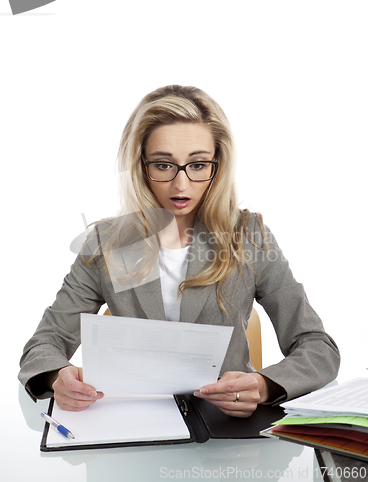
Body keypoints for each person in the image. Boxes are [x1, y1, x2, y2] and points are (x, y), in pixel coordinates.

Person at [19, 85, 340, 417]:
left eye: (198, 166)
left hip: (224, 429)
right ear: (140, 166)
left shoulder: (249, 235)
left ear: (218, 165)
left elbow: (318, 347)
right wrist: (58, 377)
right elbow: (45, 343)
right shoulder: (106, 243)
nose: (181, 185)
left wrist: (264, 385)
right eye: (163, 165)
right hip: (131, 422)